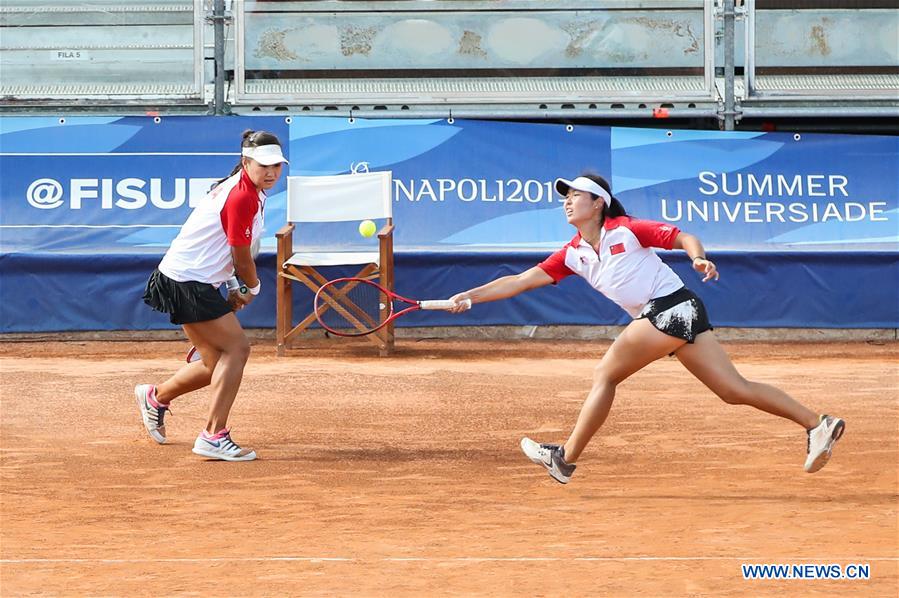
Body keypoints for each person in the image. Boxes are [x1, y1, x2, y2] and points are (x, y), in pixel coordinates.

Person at [448, 174, 845, 484]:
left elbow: (682, 236)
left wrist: (699, 258)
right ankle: (817, 423)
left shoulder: (627, 228)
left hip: (672, 306)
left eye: (575, 195)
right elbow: (520, 280)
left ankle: (565, 459)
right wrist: (470, 295)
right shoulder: (573, 254)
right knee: (733, 390)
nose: (567, 201)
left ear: (598, 203)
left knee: (607, 373)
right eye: (564, 196)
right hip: (677, 313)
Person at [134, 129, 287, 462]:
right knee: (237, 349)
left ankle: (156, 397)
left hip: (187, 278)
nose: (271, 172)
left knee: (215, 362)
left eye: (277, 165)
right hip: (187, 282)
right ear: (246, 162)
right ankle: (213, 435)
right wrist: (252, 286)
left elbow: (225, 250)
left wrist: (233, 285)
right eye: (263, 165)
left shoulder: (249, 188)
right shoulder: (242, 195)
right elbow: (240, 254)